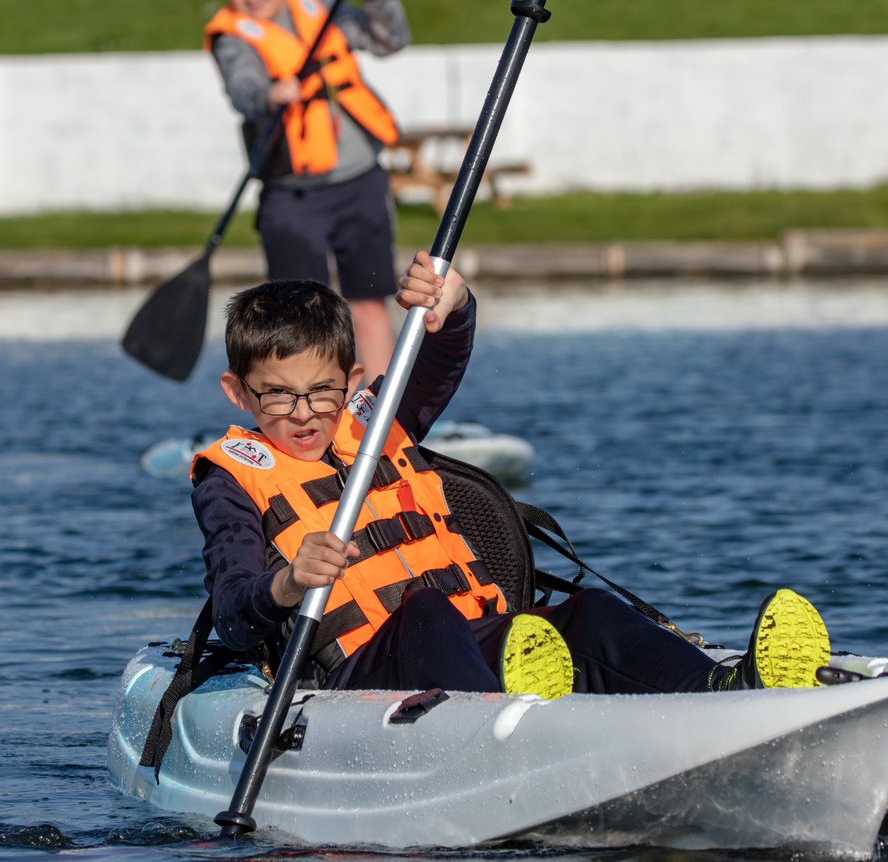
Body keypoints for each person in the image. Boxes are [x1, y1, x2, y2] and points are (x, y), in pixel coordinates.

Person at [189, 250, 834, 697]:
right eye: (278, 396)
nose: (304, 415)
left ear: (350, 381)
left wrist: (456, 301)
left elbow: (437, 358)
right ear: (237, 392)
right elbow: (233, 613)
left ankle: (728, 688)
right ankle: (506, 722)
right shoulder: (229, 479)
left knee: (591, 615)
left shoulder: (378, 419)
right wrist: (287, 583)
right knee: (425, 611)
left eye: (322, 392)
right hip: (364, 673)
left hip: (485, 642)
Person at [204, 0, 409, 382]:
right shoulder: (231, 36)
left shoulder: (321, 8)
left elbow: (390, 39)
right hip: (292, 196)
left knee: (370, 300)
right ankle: (313, 414)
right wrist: (269, 94)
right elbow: (242, 87)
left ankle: (385, 412)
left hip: (360, 181)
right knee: (303, 314)